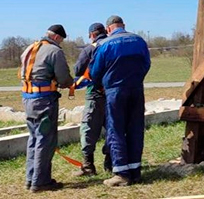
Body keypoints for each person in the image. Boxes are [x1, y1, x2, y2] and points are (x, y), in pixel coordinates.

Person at [89, 15, 151, 187]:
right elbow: (147, 63)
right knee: (135, 128)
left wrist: (102, 84)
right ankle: (135, 171)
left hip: (115, 91)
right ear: (123, 25)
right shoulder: (139, 40)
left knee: (115, 129)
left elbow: (95, 71)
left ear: (109, 29)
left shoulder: (105, 44)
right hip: (136, 89)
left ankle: (121, 173)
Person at [19, 24, 74, 193]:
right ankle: (41, 182)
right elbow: (64, 79)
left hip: (28, 99)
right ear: (57, 37)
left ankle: (30, 179)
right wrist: (71, 83)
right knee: (45, 139)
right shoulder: (54, 51)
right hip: (44, 100)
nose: (61, 44)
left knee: (34, 138)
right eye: (61, 41)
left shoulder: (29, 48)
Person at [72, 22, 111, 176]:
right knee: (113, 128)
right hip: (113, 93)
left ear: (92, 34)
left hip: (95, 93)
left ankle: (88, 166)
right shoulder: (112, 45)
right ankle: (111, 162)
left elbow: (78, 70)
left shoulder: (91, 48)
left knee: (88, 128)